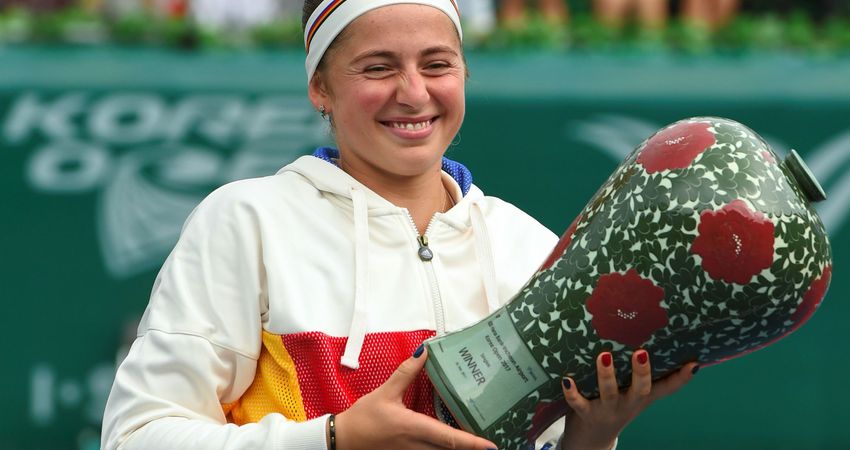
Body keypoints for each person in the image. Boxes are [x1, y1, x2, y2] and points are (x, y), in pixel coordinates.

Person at [100, 0, 699, 449]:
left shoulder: (529, 246)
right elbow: (136, 435)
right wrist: (332, 438)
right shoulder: (246, 222)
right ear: (320, 88)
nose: (413, 93)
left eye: (436, 63)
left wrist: (591, 436)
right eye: (377, 67)